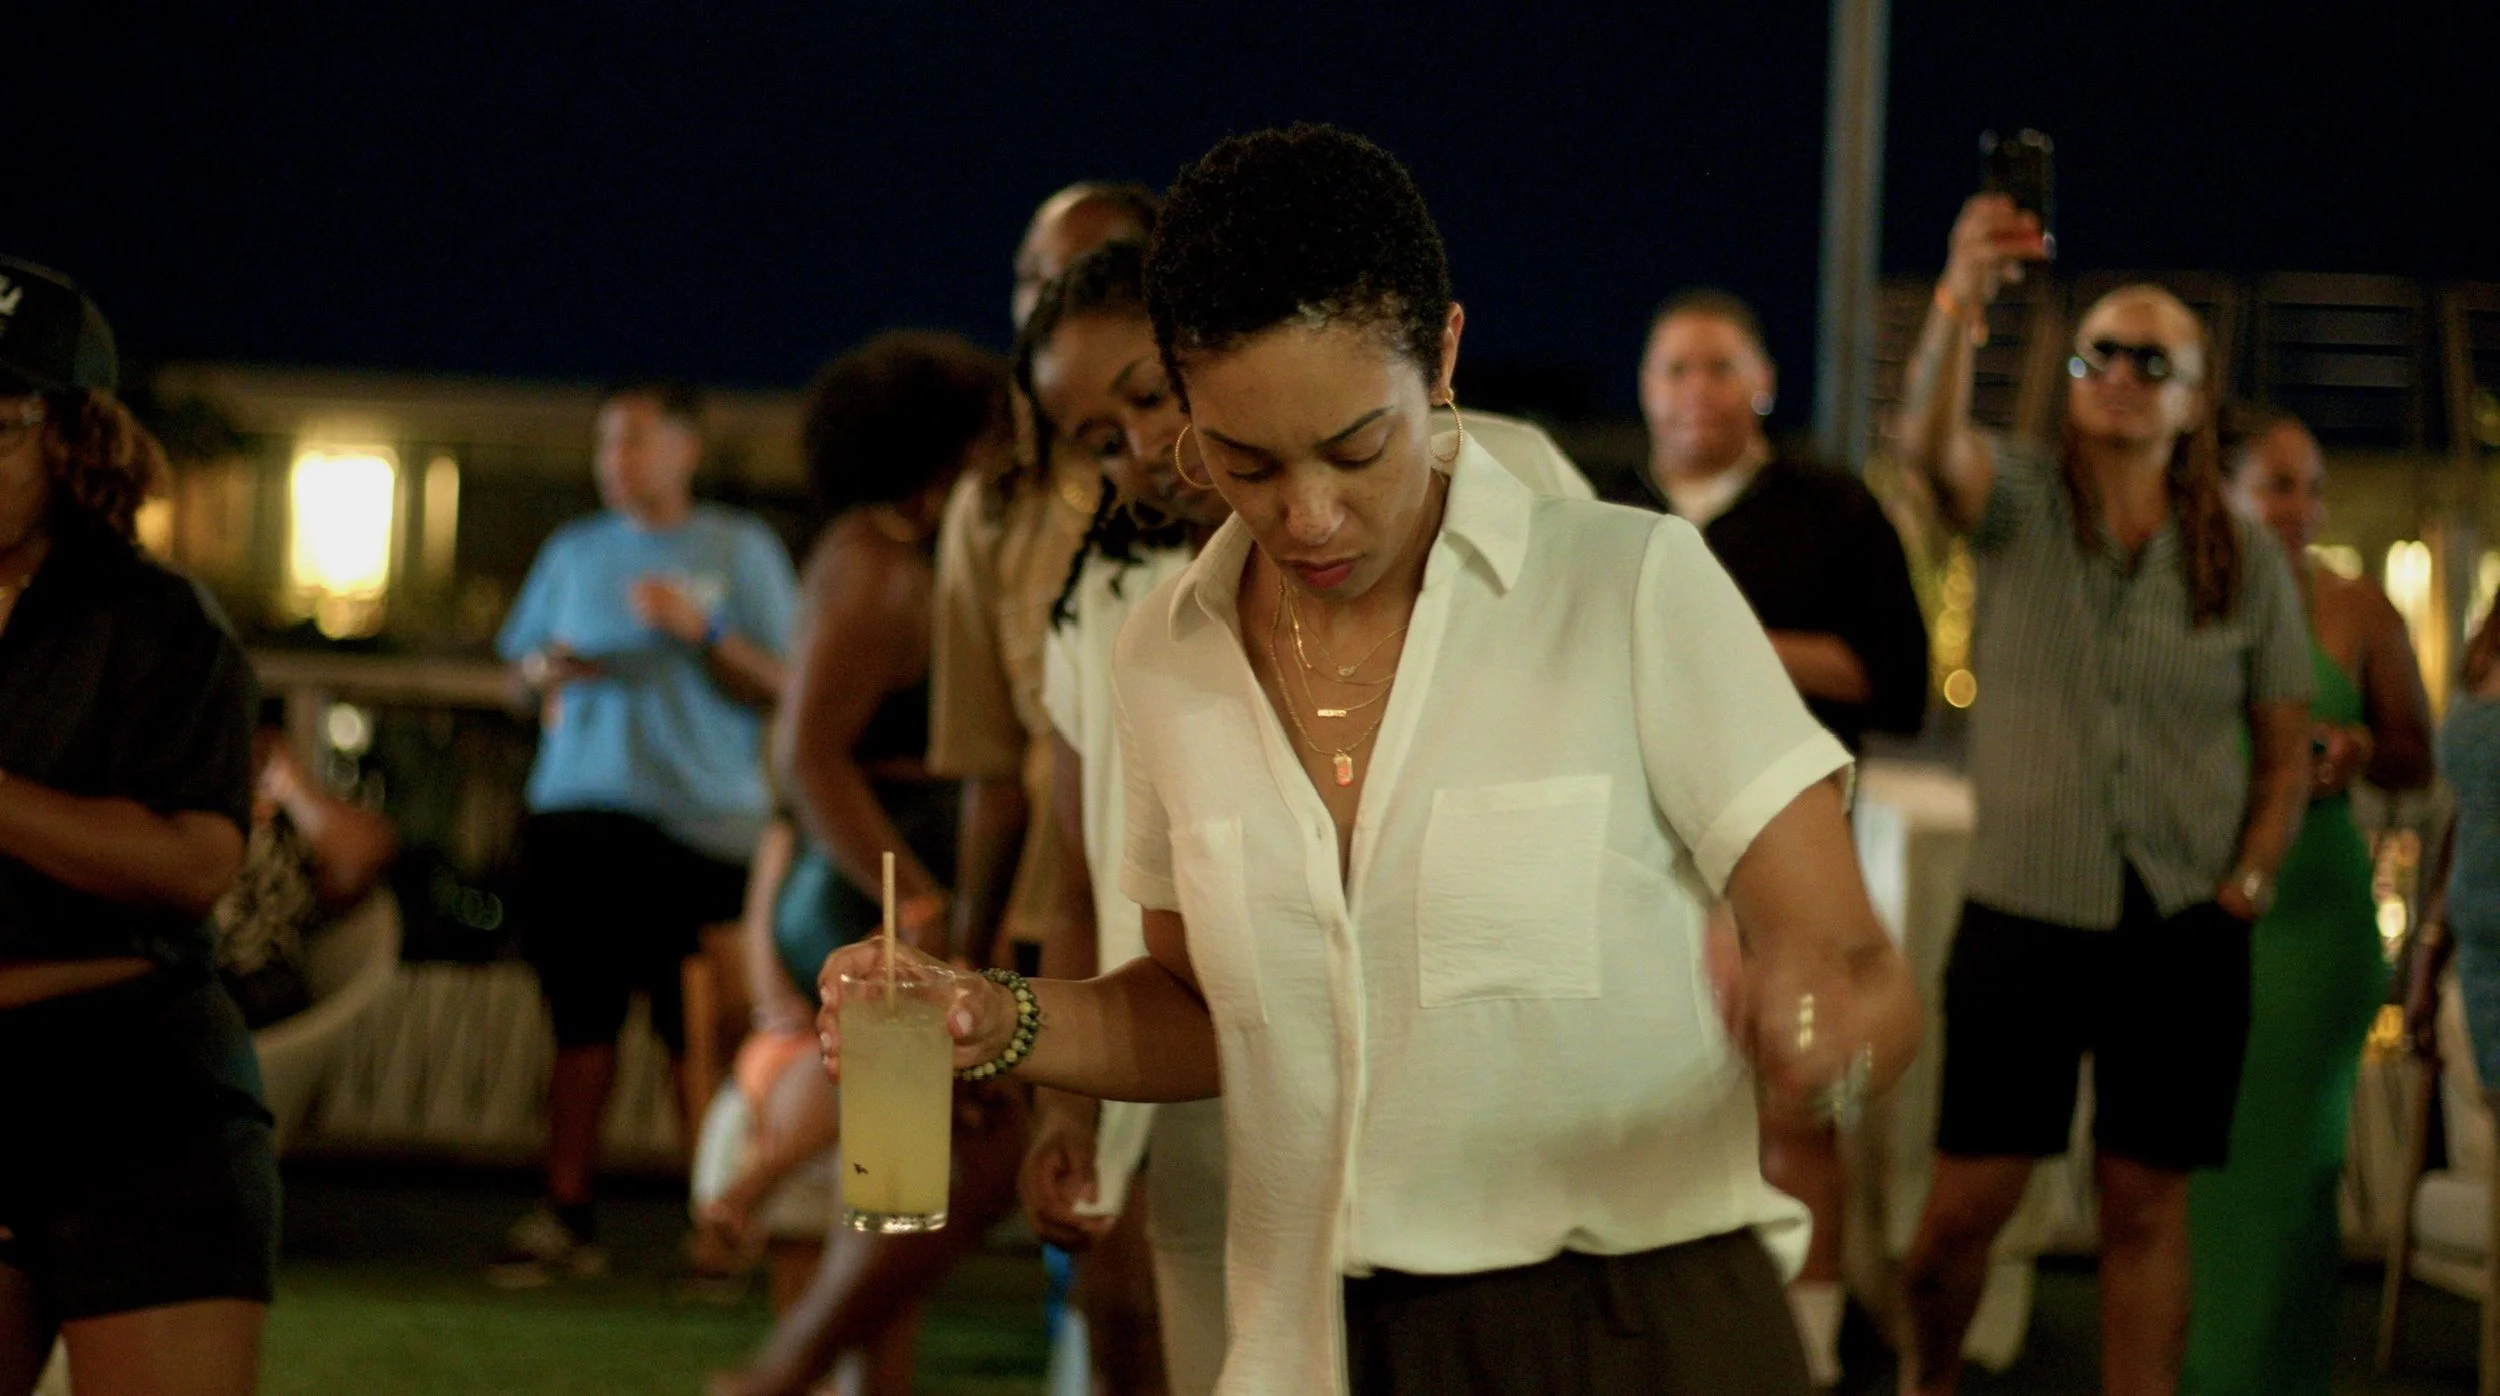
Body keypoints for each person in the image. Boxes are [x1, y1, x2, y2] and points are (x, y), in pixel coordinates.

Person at [822, 123, 1922, 1396]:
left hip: (1633, 1322)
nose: (1309, 514)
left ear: (1443, 355)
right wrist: (992, 1016)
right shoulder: (1162, 658)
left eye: (1356, 448)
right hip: (1307, 1342)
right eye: (1246, 462)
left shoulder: (1627, 585)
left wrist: (1820, 1030)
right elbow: (1205, 1010)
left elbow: (1860, 970)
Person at [1893, 195, 2315, 1396]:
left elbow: (2283, 748)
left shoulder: (2240, 558)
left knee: (2144, 1205)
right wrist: (1960, 294)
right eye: (2099, 355)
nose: (2120, 375)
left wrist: (2249, 878)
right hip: (2024, 908)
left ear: (2193, 399)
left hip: (2180, 921)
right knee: (1962, 1213)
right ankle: (1929, 1379)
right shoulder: (2016, 502)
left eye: (2151, 361)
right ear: (2073, 381)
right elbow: (1929, 446)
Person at [708, 332, 1025, 1396]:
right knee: (888, 1186)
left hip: (872, 888)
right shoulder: (880, 565)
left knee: (888, 1189)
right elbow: (806, 750)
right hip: (873, 892)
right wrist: (921, 894)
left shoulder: (881, 548)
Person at [1632, 286, 1930, 1385]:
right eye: (1672, 368)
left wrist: (1730, 641)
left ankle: (1808, 1355)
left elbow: (1895, 682)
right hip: (1630, 861)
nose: (1693, 390)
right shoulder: (1605, 510)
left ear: (1761, 384)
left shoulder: (1831, 510)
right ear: (1643, 386)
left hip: (1781, 853)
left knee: (1799, 1100)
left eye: (1718, 368)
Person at [0, 256, 269, 1396]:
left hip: (133, 1083)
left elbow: (197, 861)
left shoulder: (157, 621)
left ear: (75, 439)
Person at [491, 379, 801, 1284]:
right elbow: (514, 678)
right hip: (579, 816)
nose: (612, 461)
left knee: (699, 1033)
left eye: (631, 441)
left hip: (704, 827)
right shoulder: (573, 551)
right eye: (603, 444)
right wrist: (539, 673)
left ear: (683, 450)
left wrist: (700, 628)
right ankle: (566, 1216)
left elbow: (783, 681)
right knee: (580, 1026)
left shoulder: (737, 548)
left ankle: (720, 1222)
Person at [2181, 403, 2434, 1393]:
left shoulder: (2357, 608)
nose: (2302, 506)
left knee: (2297, 1182)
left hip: (2318, 921)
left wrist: (2365, 752)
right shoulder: (2183, 604)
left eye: (2312, 486)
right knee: (2200, 1167)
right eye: (2278, 484)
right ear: (2224, 492)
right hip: (2205, 917)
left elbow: (2414, 756)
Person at [213, 717, 401, 1028]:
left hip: (261, 988)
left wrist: (289, 783)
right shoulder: (162, 823)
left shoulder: (282, 822)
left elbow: (367, 853)